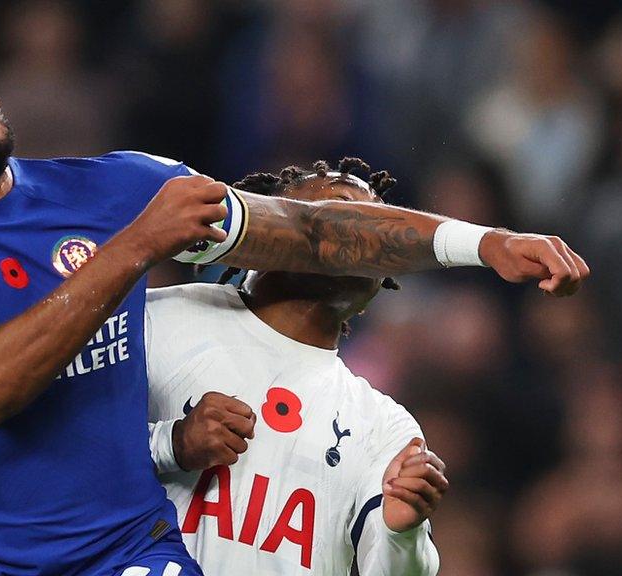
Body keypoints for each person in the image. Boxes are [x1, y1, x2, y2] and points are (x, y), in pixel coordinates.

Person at [0, 23, 588, 576]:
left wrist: (479, 243)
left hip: (130, 556)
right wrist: (135, 246)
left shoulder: (116, 187)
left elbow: (313, 236)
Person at [146, 159, 444, 575]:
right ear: (269, 230)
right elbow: (52, 450)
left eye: (379, 234)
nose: (364, 240)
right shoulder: (157, 320)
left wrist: (402, 533)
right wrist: (171, 442)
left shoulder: (386, 428)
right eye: (340, 214)